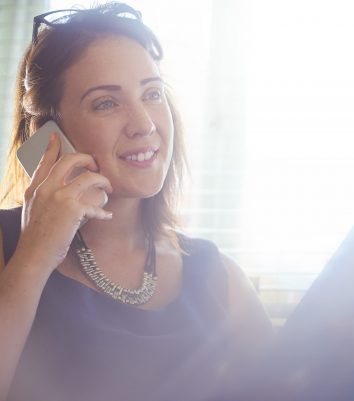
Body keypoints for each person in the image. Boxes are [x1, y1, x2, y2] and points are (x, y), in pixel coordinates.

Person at [0, 3, 272, 400]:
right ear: (49, 135)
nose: (144, 123)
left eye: (152, 93)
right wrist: (35, 257)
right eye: (106, 103)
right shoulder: (9, 248)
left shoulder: (219, 278)